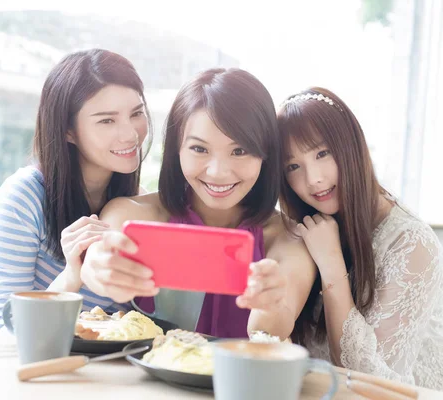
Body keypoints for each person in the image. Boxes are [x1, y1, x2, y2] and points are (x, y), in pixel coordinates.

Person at [277, 88, 443, 398]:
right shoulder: (307, 230)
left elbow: (370, 382)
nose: (313, 179)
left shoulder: (411, 243)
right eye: (294, 166)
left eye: (322, 153)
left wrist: (332, 268)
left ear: (350, 147)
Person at [78, 68, 316, 339]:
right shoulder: (132, 216)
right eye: (199, 149)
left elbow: (272, 327)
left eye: (239, 151)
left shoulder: (287, 240)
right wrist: (97, 266)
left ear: (265, 154)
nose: (217, 172)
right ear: (176, 149)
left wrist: (271, 305)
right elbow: (101, 259)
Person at [0, 49, 152, 330]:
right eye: (107, 120)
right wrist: (73, 273)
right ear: (68, 130)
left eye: (136, 113)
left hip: (67, 354)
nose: (130, 133)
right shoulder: (24, 197)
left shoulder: (137, 206)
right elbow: (7, 328)